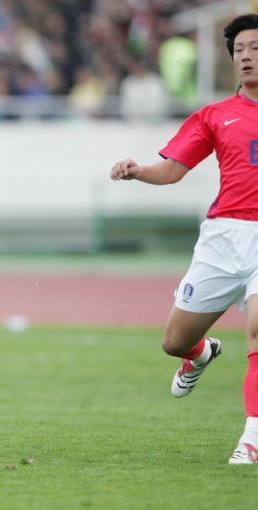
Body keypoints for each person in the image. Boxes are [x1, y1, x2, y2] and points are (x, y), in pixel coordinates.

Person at [110, 13, 258, 465]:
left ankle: (252, 440)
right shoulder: (215, 115)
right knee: (174, 340)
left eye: (255, 48)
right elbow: (174, 169)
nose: (247, 57)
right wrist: (139, 171)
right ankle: (199, 354)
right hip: (223, 238)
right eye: (240, 50)